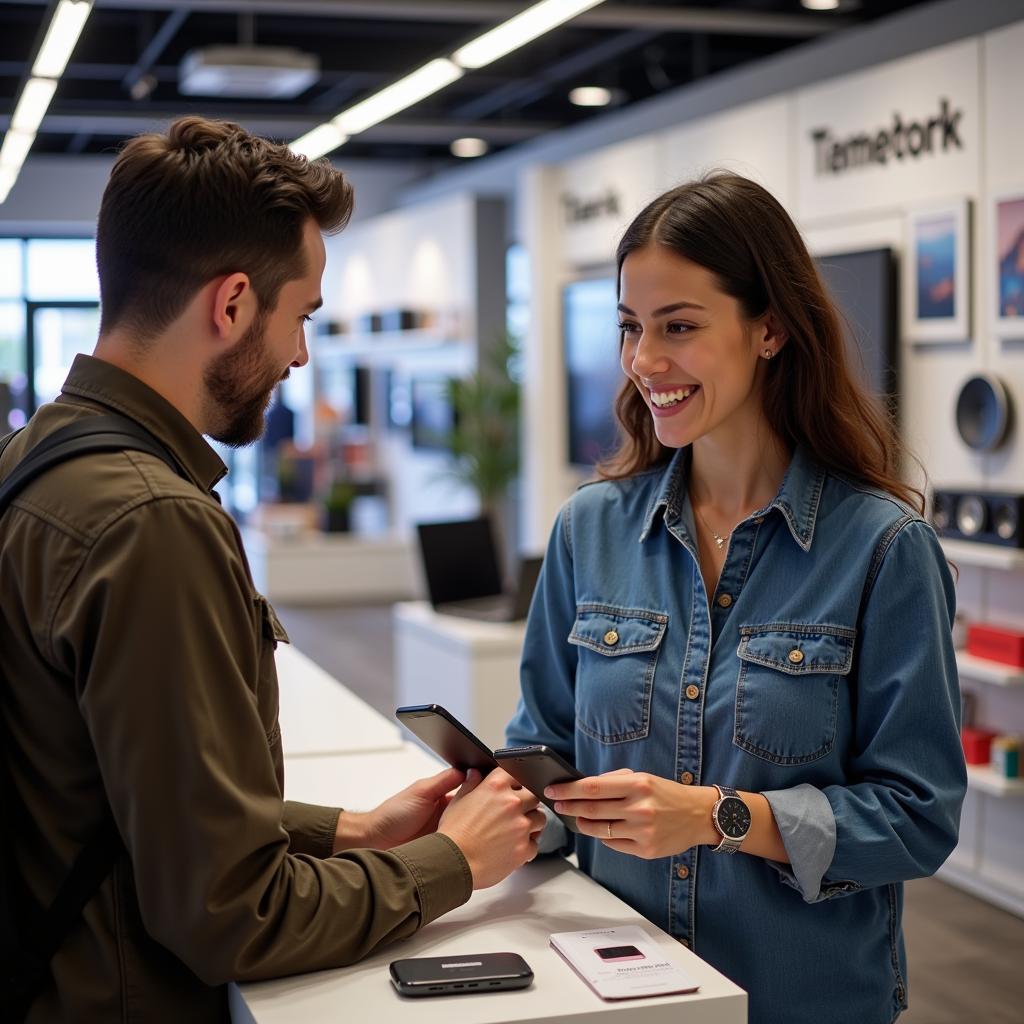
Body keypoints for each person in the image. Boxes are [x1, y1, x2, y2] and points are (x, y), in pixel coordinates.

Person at [0, 116, 544, 1022]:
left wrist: (352, 832)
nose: (300, 355)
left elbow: (121, 793)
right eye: (301, 318)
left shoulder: (37, 459)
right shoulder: (154, 522)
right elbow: (226, 914)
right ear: (233, 303)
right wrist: (455, 863)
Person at [507, 172, 966, 1024]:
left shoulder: (884, 551)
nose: (646, 361)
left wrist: (718, 816)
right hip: (618, 994)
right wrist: (495, 808)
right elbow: (543, 753)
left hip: (802, 1000)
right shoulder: (589, 531)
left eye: (679, 326)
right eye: (631, 328)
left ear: (770, 330)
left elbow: (916, 819)